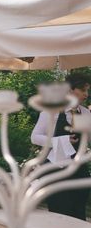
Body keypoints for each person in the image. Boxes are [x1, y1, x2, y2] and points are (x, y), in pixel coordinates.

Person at [31, 73, 91, 220]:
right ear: (70, 90)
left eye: (87, 90)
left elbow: (87, 139)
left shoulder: (85, 112)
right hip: (56, 171)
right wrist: (62, 140)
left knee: (79, 216)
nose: (86, 94)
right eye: (83, 90)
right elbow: (35, 137)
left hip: (79, 171)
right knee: (60, 216)